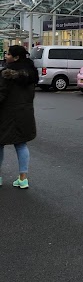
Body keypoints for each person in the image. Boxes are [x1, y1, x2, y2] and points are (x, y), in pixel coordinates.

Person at [0, 45, 39, 189]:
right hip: (25, 112)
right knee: (21, 144)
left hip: (6, 114)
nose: (6, 56)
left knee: (0, 144)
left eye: (8, 54)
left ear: (16, 57)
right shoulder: (31, 73)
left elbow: (1, 94)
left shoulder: (6, 74)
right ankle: (23, 179)